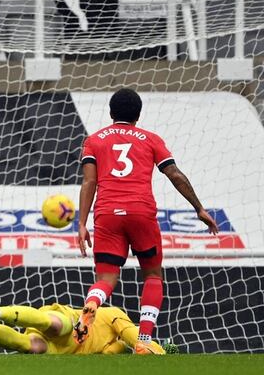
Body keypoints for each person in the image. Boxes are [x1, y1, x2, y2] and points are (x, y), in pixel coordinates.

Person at [75, 88, 218, 354]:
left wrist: (82, 223)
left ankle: (92, 303)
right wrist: (198, 208)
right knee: (152, 275)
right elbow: (174, 174)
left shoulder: (94, 140)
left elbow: (89, 181)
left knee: (106, 277)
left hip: (107, 214)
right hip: (141, 213)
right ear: (138, 115)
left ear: (111, 112)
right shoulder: (151, 139)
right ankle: (144, 339)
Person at [0, 302, 174, 355]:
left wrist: (134, 347)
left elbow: (124, 345)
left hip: (67, 348)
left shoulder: (114, 347)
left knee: (31, 344)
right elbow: (135, 337)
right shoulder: (113, 314)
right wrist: (156, 351)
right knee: (53, 324)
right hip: (72, 326)